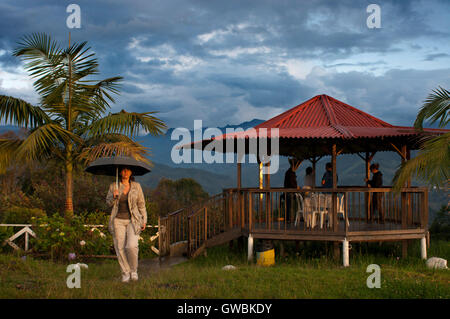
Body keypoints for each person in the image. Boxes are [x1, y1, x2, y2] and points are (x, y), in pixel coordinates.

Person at [107, 166, 147, 283]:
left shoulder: (136, 186)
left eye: (128, 170)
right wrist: (114, 197)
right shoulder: (113, 186)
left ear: (131, 172)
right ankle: (125, 273)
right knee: (119, 248)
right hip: (117, 220)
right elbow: (108, 203)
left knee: (131, 246)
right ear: (120, 172)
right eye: (123, 170)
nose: (125, 172)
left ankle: (134, 271)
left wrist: (144, 220)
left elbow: (141, 204)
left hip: (133, 220)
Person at [283, 158, 299, 223]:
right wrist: (296, 187)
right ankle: (289, 219)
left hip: (288, 191)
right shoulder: (291, 173)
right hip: (290, 192)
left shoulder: (289, 172)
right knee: (290, 206)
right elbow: (291, 183)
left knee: (289, 206)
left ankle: (289, 219)